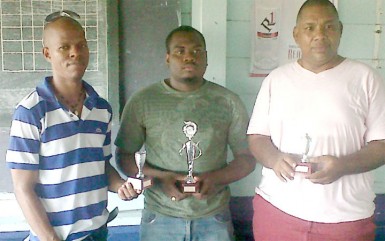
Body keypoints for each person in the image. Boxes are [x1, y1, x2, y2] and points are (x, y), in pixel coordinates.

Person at [247, 0, 385, 240]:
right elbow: (257, 136)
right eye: (310, 27)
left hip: (344, 219)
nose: (319, 35)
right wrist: (274, 158)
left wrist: (343, 165)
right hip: (278, 212)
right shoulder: (276, 79)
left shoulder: (366, 78)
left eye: (328, 27)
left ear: (340, 30)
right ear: (296, 34)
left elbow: (382, 145)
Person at [6, 10, 138, 241]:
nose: (75, 53)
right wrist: (50, 238)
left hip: (97, 233)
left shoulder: (101, 109)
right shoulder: (30, 111)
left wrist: (120, 186)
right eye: (64, 47)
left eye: (81, 45)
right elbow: (23, 188)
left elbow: (101, 166)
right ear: (47, 53)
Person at [115, 25, 256, 241]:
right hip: (160, 218)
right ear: (168, 58)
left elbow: (246, 159)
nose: (189, 57)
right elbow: (124, 156)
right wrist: (163, 179)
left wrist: (214, 179)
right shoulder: (143, 101)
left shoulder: (228, 102)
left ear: (206, 58)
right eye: (180, 51)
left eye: (196, 51)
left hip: (214, 219)